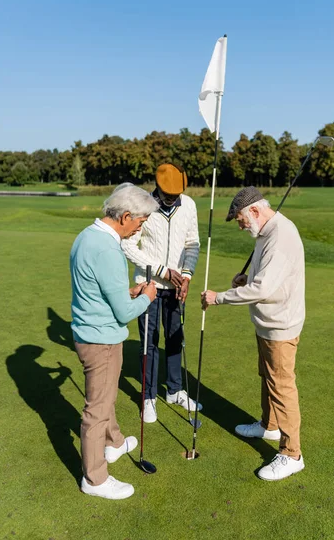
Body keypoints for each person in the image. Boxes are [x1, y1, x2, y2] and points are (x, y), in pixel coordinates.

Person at [201, 186, 305, 481]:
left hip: (280, 325)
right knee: (268, 376)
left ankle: (292, 453)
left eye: (241, 220)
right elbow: (263, 279)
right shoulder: (265, 232)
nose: (240, 225)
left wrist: (218, 297)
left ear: (255, 211)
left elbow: (263, 289)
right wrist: (245, 279)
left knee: (282, 386)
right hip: (268, 321)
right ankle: (269, 425)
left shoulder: (280, 236)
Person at [70, 183, 158, 500]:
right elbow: (122, 313)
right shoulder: (108, 250)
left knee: (105, 397)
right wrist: (146, 296)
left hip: (87, 332)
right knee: (97, 410)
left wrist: (127, 292)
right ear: (124, 216)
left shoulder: (87, 236)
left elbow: (102, 292)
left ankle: (115, 442)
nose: (140, 227)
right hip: (102, 339)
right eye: (140, 221)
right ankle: (94, 478)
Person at [121, 163, 201, 423]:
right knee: (150, 342)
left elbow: (192, 244)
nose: (173, 200)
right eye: (168, 196)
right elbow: (128, 246)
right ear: (157, 188)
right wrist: (162, 271)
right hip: (150, 285)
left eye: (177, 195)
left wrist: (186, 276)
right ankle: (149, 397)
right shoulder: (142, 207)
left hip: (177, 286)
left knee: (176, 339)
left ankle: (175, 391)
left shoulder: (188, 205)